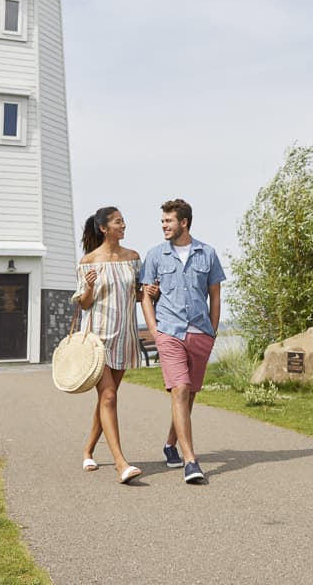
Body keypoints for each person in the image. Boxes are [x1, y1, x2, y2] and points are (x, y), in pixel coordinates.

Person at [139, 198, 225, 484]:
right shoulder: (154, 255)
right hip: (169, 332)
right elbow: (145, 297)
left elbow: (215, 295)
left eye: (168, 221)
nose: (164, 225)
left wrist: (212, 332)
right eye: (162, 221)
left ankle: (170, 445)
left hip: (200, 332)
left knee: (189, 395)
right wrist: (154, 330)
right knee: (181, 389)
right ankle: (191, 461)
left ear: (183, 222)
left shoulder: (208, 254)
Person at [73, 206, 147, 484]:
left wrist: (148, 292)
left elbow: (138, 294)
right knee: (109, 397)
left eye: (123, 221)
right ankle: (120, 464)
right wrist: (89, 287)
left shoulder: (133, 258)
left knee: (108, 396)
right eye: (118, 222)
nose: (123, 225)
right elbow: (84, 303)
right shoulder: (88, 262)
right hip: (97, 338)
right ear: (104, 228)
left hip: (125, 335)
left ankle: (88, 449)